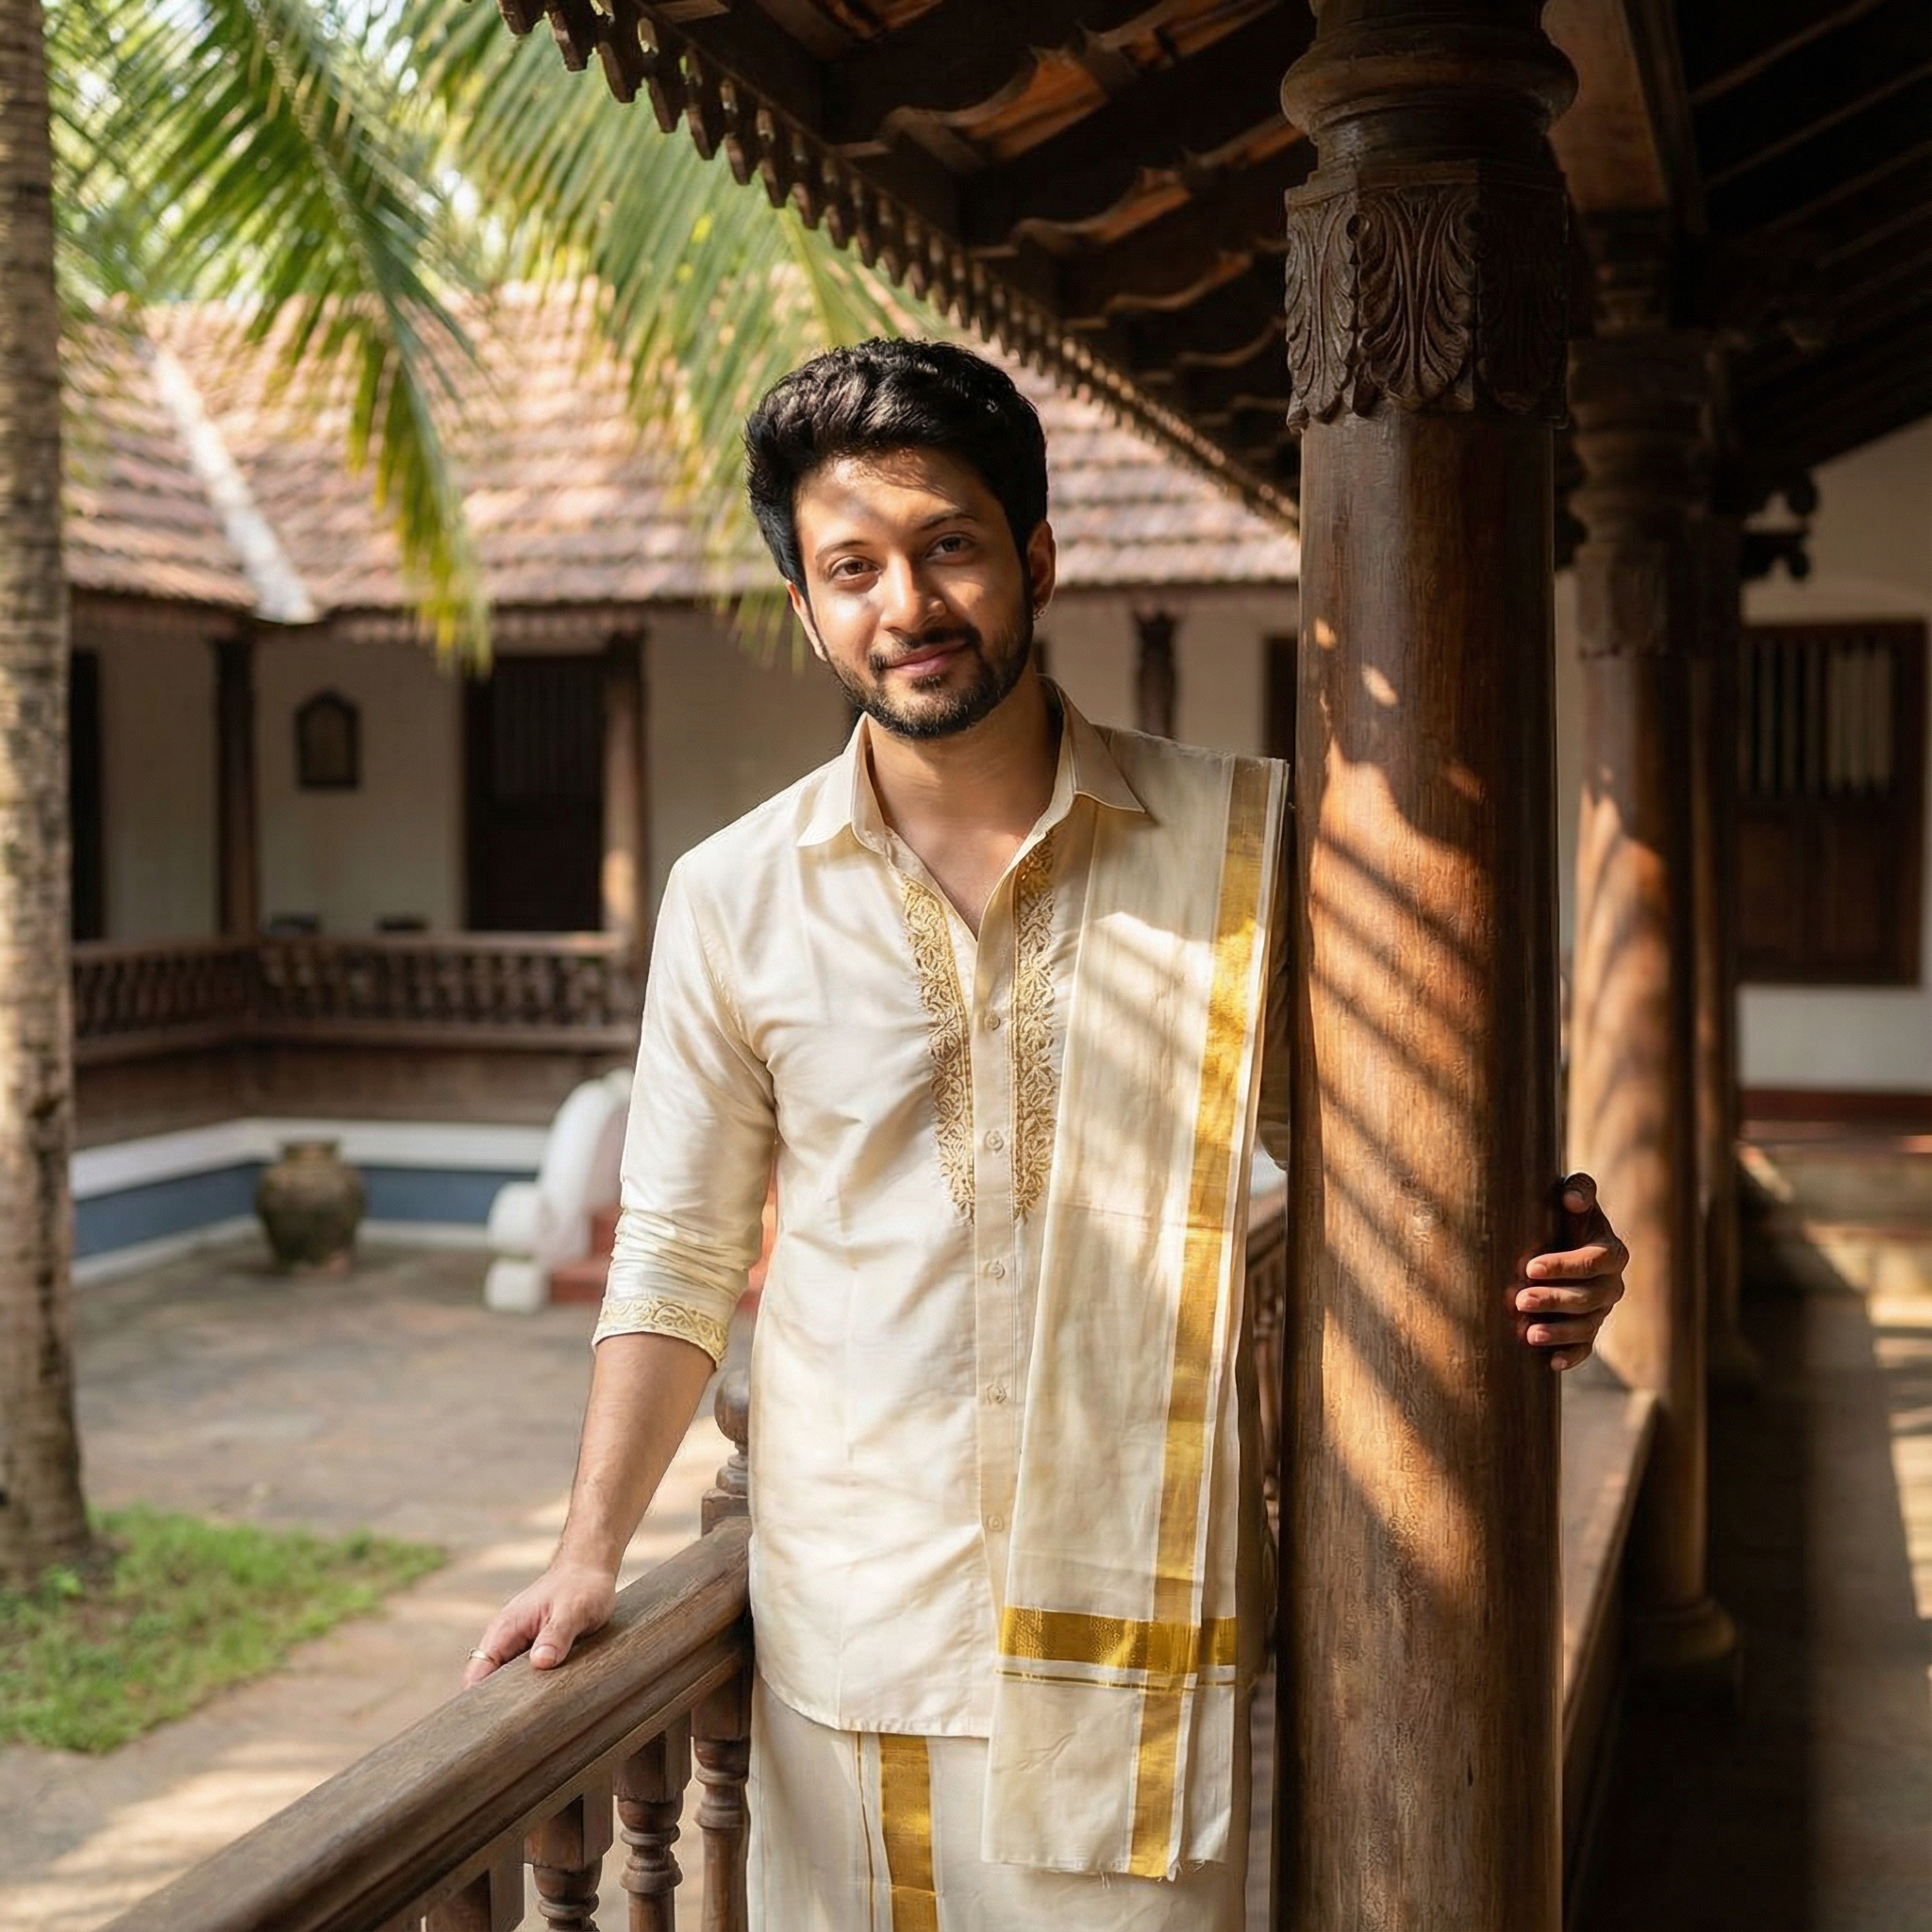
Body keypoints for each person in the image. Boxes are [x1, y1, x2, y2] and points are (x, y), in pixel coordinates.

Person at [465, 340, 1628, 1929]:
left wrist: (1542, 1253)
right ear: (809, 612)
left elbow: (1392, 1159)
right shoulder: (734, 898)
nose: (909, 604)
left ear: (1036, 558)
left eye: (948, 546)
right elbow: (677, 1247)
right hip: (852, 1641)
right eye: (852, 568)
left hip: (1139, 1633)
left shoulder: (1237, 844)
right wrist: (590, 1551)